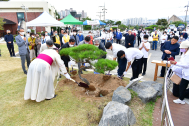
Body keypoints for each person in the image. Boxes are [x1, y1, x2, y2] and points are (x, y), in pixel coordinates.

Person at [170, 40, 189, 104]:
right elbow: (182, 62)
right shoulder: (184, 54)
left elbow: (186, 65)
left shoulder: (188, 55)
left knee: (182, 86)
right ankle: (181, 99)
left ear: (186, 48)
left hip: (187, 73)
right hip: (185, 73)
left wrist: (175, 63)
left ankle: (181, 99)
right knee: (182, 86)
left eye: (182, 48)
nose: (181, 49)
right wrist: (175, 62)